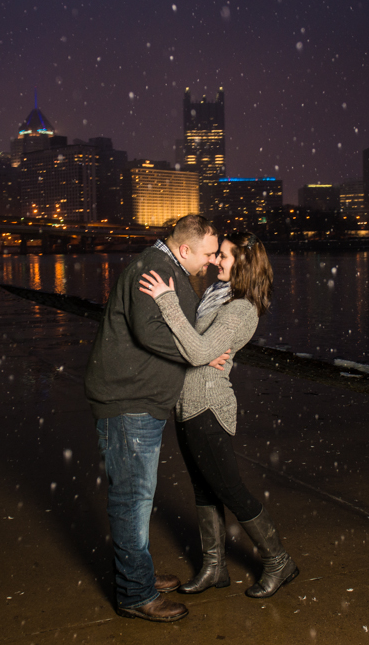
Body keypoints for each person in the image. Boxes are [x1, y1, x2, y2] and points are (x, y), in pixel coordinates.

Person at [138, 232, 299, 599]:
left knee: (231, 491)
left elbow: (196, 352)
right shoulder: (215, 298)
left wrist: (166, 301)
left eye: (223, 256)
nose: (215, 261)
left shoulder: (241, 309)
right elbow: (194, 346)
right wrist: (196, 344)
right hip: (187, 404)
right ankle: (215, 568)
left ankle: (278, 561)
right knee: (204, 489)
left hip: (208, 406)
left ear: (242, 264)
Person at [84, 214, 224, 623]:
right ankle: (134, 594)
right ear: (185, 249)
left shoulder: (166, 267)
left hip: (139, 401)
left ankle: (137, 575)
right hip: (128, 402)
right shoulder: (154, 268)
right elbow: (149, 331)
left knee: (137, 499)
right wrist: (199, 352)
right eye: (209, 253)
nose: (213, 261)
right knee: (132, 500)